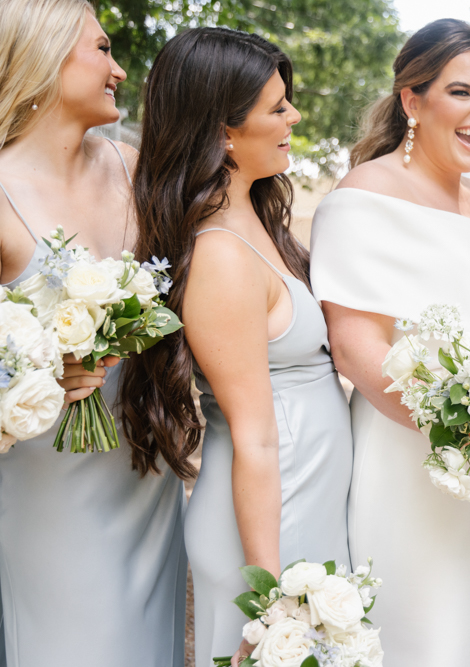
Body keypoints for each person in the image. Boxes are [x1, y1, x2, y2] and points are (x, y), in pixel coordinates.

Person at [309, 19, 470, 667]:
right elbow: (358, 349)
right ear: (411, 99)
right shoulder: (364, 199)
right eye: (462, 92)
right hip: (415, 469)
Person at [120, 28, 352, 667]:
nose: (294, 117)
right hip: (270, 516)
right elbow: (253, 435)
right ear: (223, 132)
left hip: (304, 495)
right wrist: (269, 591)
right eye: (276, 107)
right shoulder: (221, 255)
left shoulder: (257, 216)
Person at [0, 1, 186, 664]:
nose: (119, 67)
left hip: (142, 461)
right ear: (47, 56)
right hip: (47, 475)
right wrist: (41, 366)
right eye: (102, 49)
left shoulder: (132, 166)